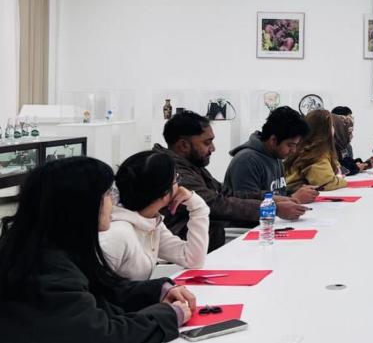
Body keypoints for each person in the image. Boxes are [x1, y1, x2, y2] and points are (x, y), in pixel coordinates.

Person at [0, 157, 194, 343]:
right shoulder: (47, 269)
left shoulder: (50, 248)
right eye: (108, 193)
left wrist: (157, 291)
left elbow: (102, 290)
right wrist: (168, 316)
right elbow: (101, 335)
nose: (114, 202)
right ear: (83, 204)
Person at [156, 112, 306, 251]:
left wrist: (269, 198)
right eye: (207, 143)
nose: (213, 148)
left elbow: (225, 193)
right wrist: (273, 209)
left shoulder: (192, 166)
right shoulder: (173, 172)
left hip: (208, 238)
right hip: (190, 245)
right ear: (184, 145)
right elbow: (215, 204)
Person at [100, 151, 209, 281]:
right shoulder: (117, 233)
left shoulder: (150, 222)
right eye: (176, 179)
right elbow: (97, 288)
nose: (180, 186)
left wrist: (197, 206)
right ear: (164, 192)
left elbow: (193, 259)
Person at [224, 106, 317, 204]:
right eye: (290, 145)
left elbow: (279, 193)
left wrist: (298, 191)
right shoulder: (246, 161)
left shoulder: (276, 156)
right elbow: (247, 205)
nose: (293, 151)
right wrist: (293, 198)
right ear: (273, 140)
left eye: (296, 145)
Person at [286, 110, 348, 192]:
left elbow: (338, 168)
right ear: (324, 129)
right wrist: (340, 180)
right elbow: (326, 184)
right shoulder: (314, 153)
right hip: (295, 195)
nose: (334, 129)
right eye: (332, 125)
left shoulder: (311, 148)